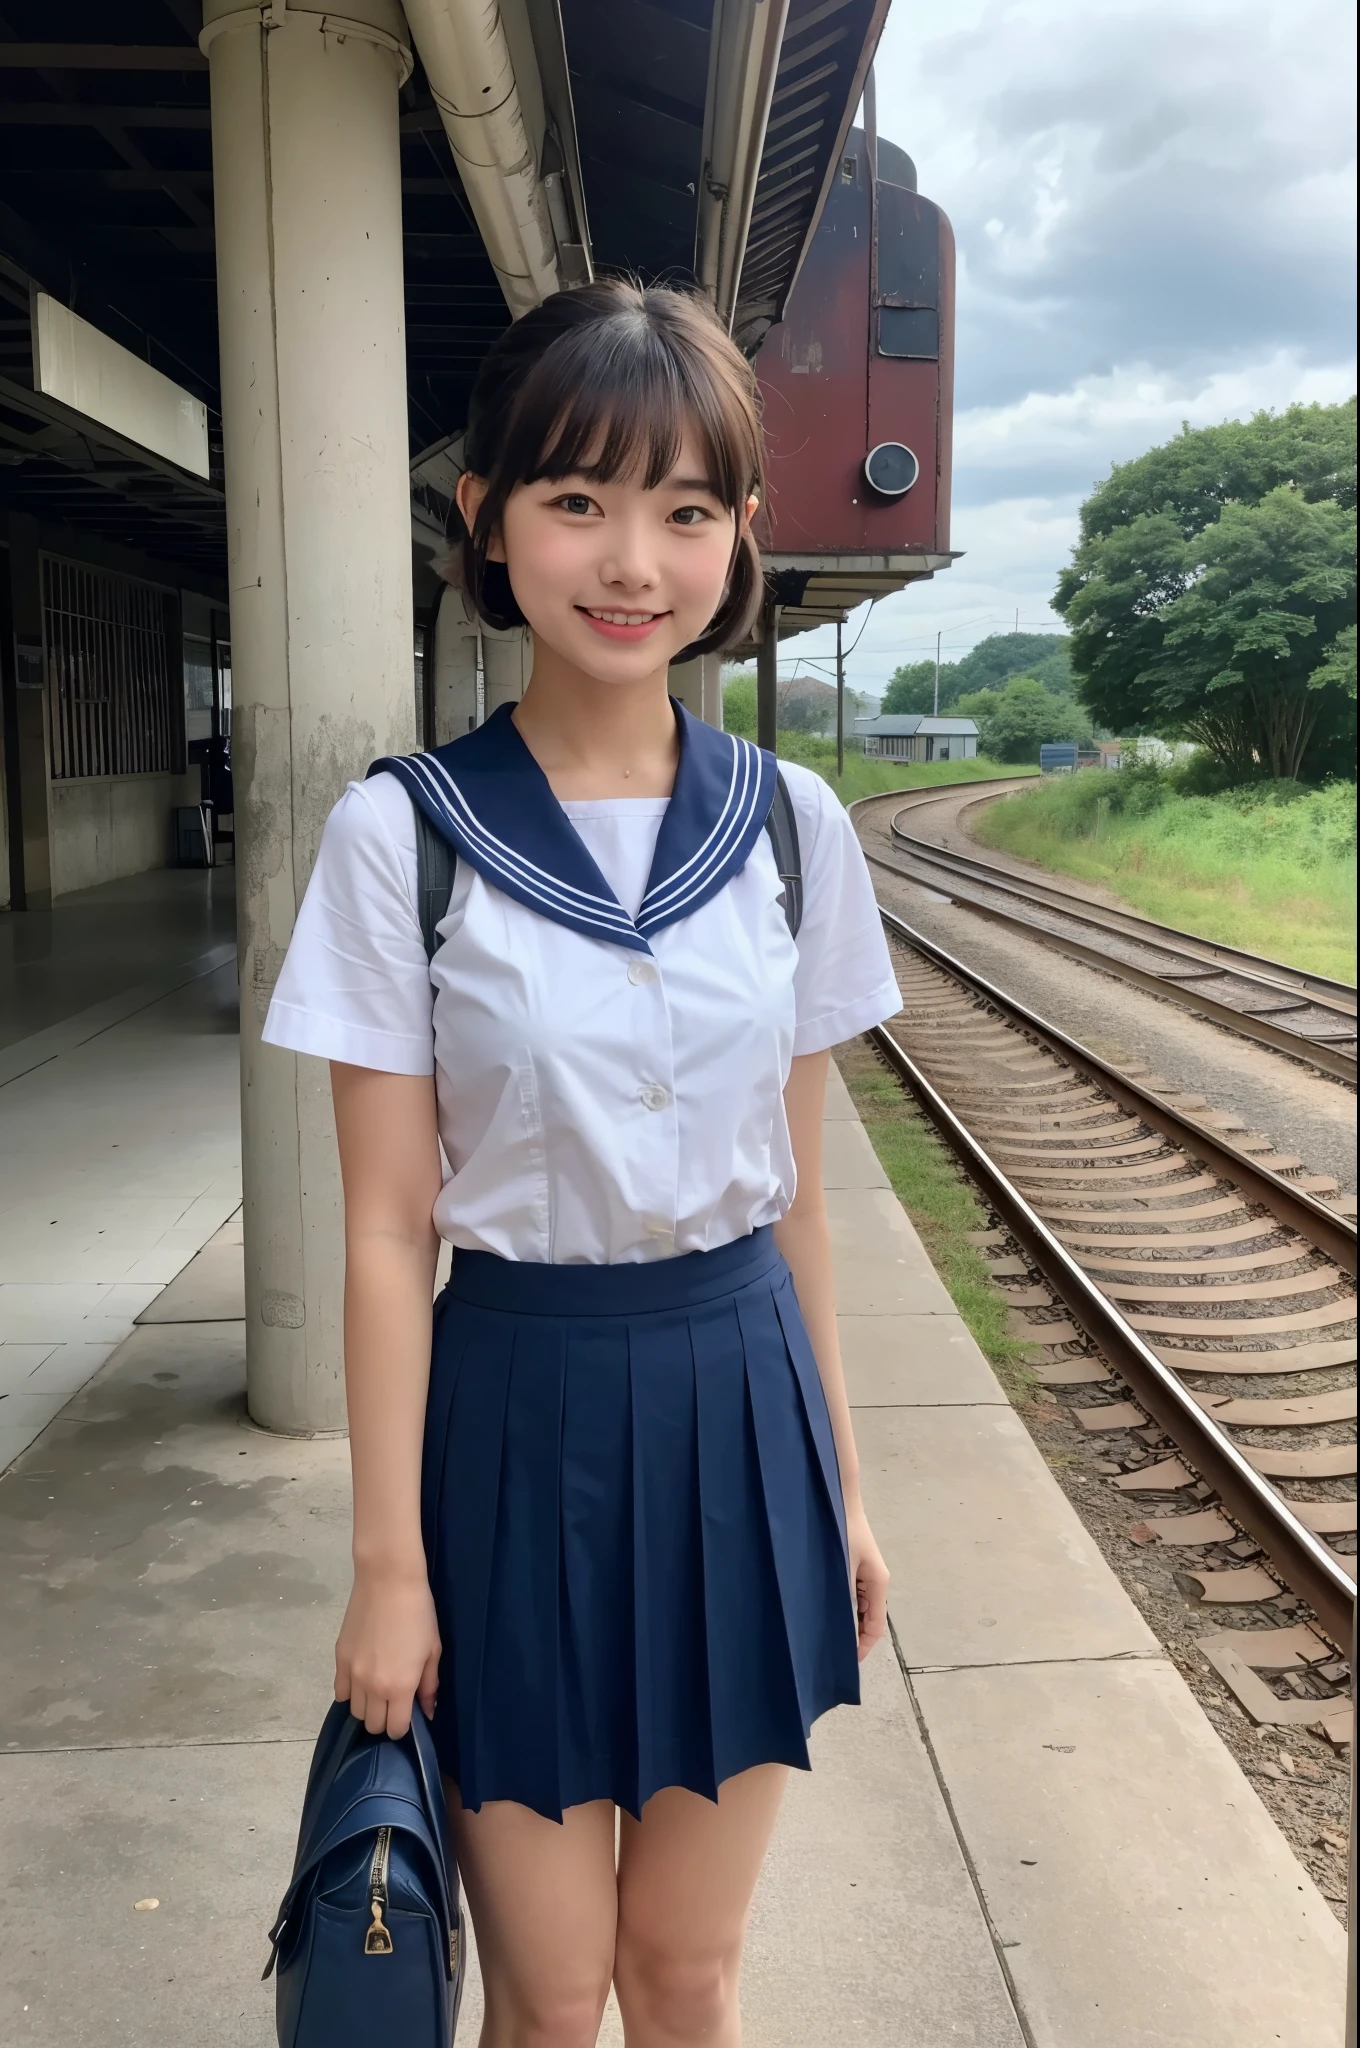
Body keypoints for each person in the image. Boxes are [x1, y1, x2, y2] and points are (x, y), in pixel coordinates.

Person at [262, 279, 901, 2048]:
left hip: (741, 1401)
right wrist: (389, 1564)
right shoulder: (405, 835)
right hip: (514, 1417)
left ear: (742, 538)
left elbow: (802, 1194)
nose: (635, 561)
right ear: (486, 520)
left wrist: (837, 1480)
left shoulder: (793, 825)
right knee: (547, 1997)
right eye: (579, 501)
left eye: (687, 510)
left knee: (685, 1976)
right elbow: (388, 1233)